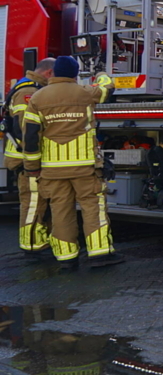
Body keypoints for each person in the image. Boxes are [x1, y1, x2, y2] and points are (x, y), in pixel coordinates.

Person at [22, 56, 121, 269]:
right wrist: (102, 73)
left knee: (60, 211)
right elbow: (107, 89)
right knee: (92, 207)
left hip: (51, 170)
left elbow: (30, 136)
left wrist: (32, 167)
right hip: (84, 167)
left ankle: (66, 257)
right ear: (75, 74)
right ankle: (100, 253)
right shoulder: (84, 92)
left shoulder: (38, 98)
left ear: (54, 72)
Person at [3, 57, 56, 257]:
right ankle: (32, 244)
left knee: (38, 201)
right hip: (25, 159)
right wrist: (33, 159)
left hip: (26, 158)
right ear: (49, 73)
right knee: (34, 202)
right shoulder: (28, 92)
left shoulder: (32, 88)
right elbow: (23, 129)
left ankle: (39, 240)